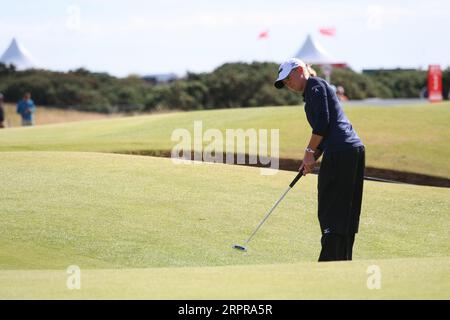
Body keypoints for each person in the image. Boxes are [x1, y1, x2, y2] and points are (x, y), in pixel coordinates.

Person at [274, 58, 365, 262]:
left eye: (288, 78)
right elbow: (323, 135)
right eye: (284, 83)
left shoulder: (315, 85)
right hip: (350, 150)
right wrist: (311, 158)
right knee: (345, 207)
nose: (288, 84)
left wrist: (308, 151)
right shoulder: (313, 92)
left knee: (330, 206)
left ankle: (330, 259)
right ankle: (342, 258)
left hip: (341, 151)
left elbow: (322, 125)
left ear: (300, 70)